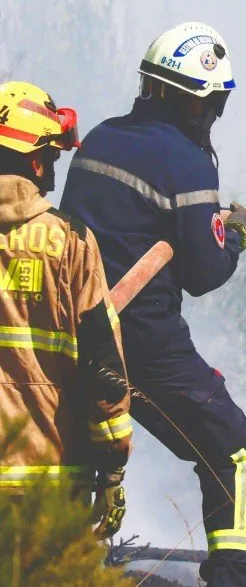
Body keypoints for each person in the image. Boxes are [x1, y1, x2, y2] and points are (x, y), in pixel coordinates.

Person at [58, 22, 246, 586]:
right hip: (145, 343)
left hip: (73, 332)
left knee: (76, 457)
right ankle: (234, 576)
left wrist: (217, 223)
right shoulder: (188, 162)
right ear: (203, 102)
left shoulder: (102, 137)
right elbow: (203, 274)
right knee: (232, 448)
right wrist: (242, 235)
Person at [0, 80, 131, 540]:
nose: (53, 169)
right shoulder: (69, 241)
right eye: (53, 156)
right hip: (49, 478)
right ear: (36, 159)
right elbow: (101, 361)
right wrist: (114, 463)